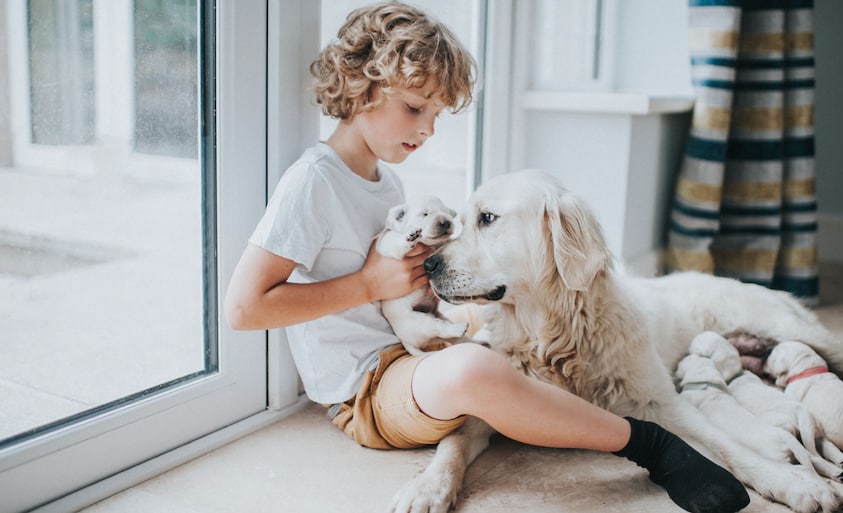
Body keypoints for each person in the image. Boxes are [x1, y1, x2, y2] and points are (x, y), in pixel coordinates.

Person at [224, 2, 749, 512]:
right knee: (477, 366)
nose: (428, 129)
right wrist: (369, 285)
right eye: (415, 107)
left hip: (409, 352)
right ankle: (646, 442)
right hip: (368, 390)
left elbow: (401, 292)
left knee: (512, 315)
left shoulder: (387, 183)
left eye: (436, 114)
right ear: (363, 87)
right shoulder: (314, 181)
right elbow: (245, 308)